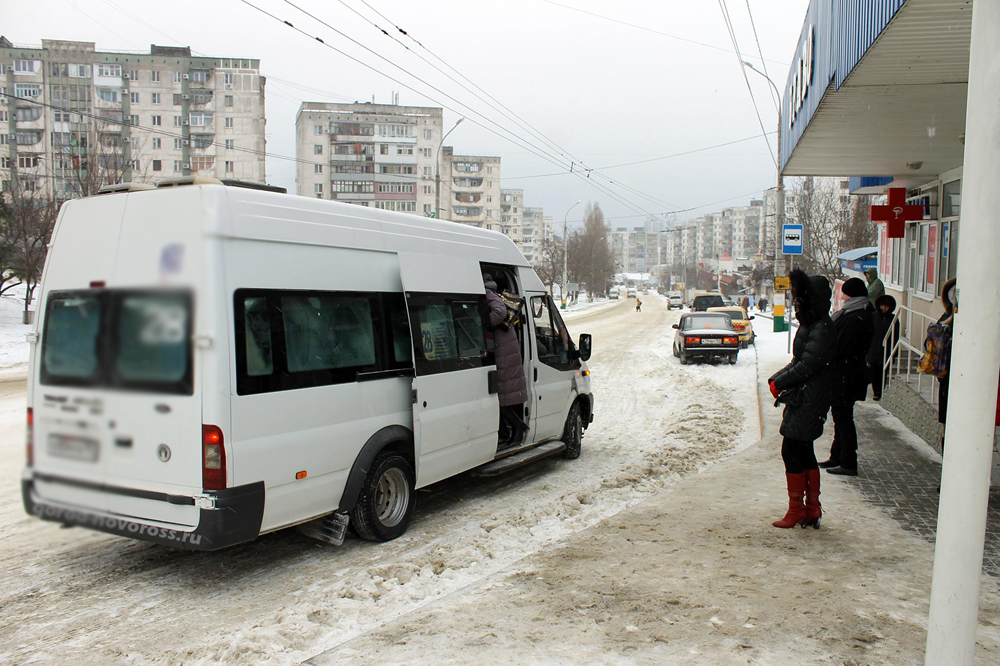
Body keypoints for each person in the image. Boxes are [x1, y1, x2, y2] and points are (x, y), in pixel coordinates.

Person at [767, 270, 836, 529]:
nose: (796, 303)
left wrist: (781, 382)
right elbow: (799, 361)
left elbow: (808, 364)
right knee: (804, 450)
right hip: (806, 395)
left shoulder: (822, 327)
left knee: (793, 450)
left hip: (811, 397)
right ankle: (811, 509)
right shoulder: (813, 324)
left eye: (800, 298)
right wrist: (777, 378)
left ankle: (798, 510)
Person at [819, 278, 874, 476]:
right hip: (846, 375)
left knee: (844, 419)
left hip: (846, 376)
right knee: (840, 417)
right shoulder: (856, 313)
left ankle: (848, 461)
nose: (842, 295)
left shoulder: (856, 317)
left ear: (851, 294)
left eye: (845, 292)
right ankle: (838, 456)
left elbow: (842, 347)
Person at [483, 274, 529, 446]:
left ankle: (518, 426)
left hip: (503, 350)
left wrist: (482, 323)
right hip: (505, 347)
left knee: (501, 396)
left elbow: (500, 312)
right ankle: (505, 431)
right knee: (500, 396)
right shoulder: (491, 292)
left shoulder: (487, 293)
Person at [937, 277, 957, 448]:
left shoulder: (948, 318)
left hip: (950, 375)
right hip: (948, 374)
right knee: (947, 420)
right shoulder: (947, 318)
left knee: (950, 419)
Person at [867, 294, 899, 401]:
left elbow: (896, 336)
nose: (884, 309)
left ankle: (880, 391)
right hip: (873, 347)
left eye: (886, 306)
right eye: (882, 306)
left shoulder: (893, 319)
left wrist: (894, 353)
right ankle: (876, 391)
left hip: (886, 349)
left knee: (883, 370)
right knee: (873, 370)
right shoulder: (874, 316)